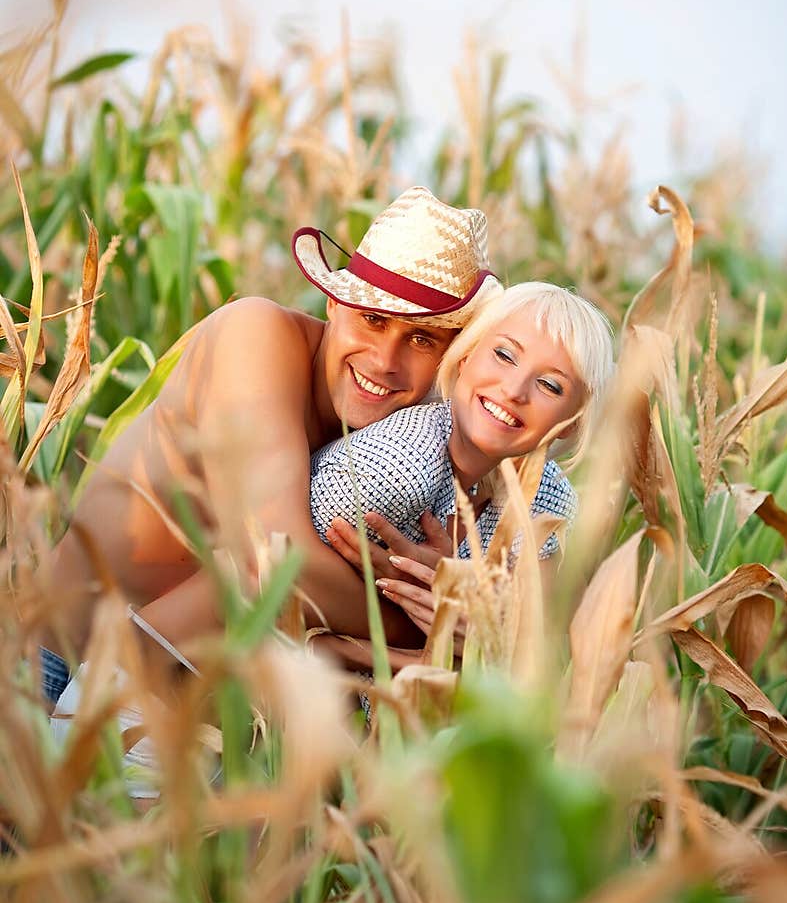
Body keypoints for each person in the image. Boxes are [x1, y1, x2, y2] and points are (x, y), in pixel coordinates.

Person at [40, 186, 499, 706]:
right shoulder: (254, 335)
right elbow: (273, 563)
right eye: (373, 319)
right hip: (50, 664)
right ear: (334, 300)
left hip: (192, 706)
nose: (385, 360)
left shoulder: (414, 440)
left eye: (422, 339)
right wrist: (426, 623)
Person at [306, 281, 615, 668]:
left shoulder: (546, 500)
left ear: (572, 422)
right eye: (504, 355)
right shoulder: (398, 466)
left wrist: (480, 623)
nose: (515, 390)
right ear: (466, 357)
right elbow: (273, 593)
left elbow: (554, 652)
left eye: (550, 385)